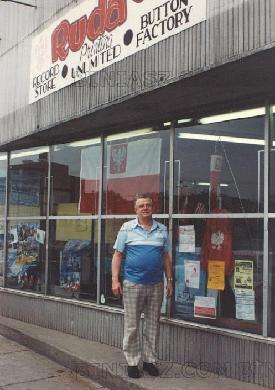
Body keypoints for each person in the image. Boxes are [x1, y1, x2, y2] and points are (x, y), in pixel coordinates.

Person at [112, 193, 173, 378]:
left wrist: (170, 280)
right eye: (141, 206)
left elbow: (166, 257)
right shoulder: (126, 228)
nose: (145, 208)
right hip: (132, 283)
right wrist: (115, 280)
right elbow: (118, 255)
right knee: (132, 326)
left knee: (153, 325)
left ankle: (149, 361)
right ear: (136, 210)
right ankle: (132, 362)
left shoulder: (162, 229)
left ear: (152, 208)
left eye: (148, 205)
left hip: (156, 284)